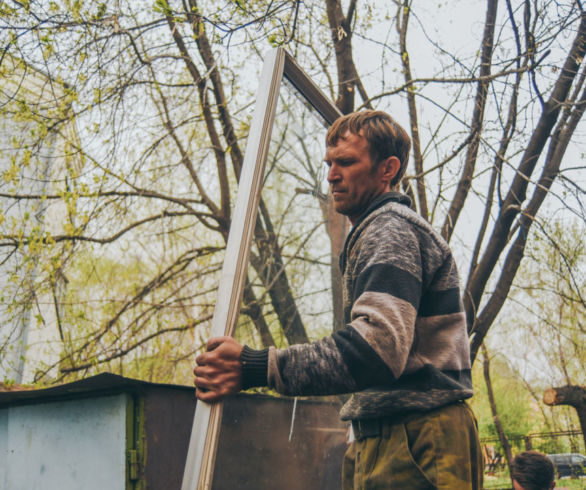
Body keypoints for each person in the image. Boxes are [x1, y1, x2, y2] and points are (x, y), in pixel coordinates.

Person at [194, 110, 483, 489]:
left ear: (388, 169)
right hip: (393, 434)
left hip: (416, 438)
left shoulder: (390, 229)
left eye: (346, 162)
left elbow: (374, 351)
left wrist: (255, 367)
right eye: (329, 163)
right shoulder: (377, 230)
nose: (331, 174)